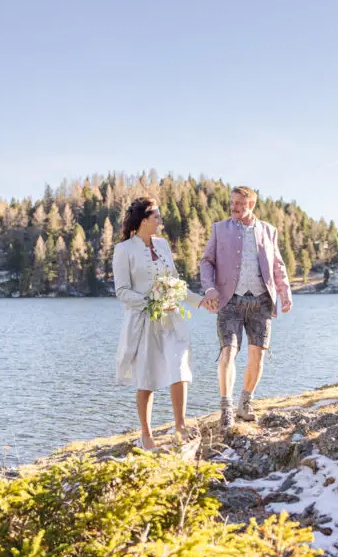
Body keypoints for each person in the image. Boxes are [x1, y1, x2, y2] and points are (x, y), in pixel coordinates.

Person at [113, 196, 204, 450]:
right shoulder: (124, 250)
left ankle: (180, 426)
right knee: (147, 377)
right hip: (143, 321)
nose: (161, 221)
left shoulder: (163, 245)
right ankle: (146, 435)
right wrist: (150, 302)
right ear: (144, 220)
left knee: (179, 367)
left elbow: (175, 283)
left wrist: (200, 302)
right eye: (157, 218)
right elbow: (121, 291)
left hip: (171, 318)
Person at [199, 186, 292, 429]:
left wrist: (285, 293)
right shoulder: (220, 229)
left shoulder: (269, 231)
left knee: (257, 356)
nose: (234, 207)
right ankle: (226, 409)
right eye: (232, 202)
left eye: (240, 203)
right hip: (229, 300)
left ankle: (245, 403)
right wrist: (210, 289)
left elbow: (278, 266)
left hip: (261, 300)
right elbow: (207, 262)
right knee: (228, 352)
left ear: (252, 204)